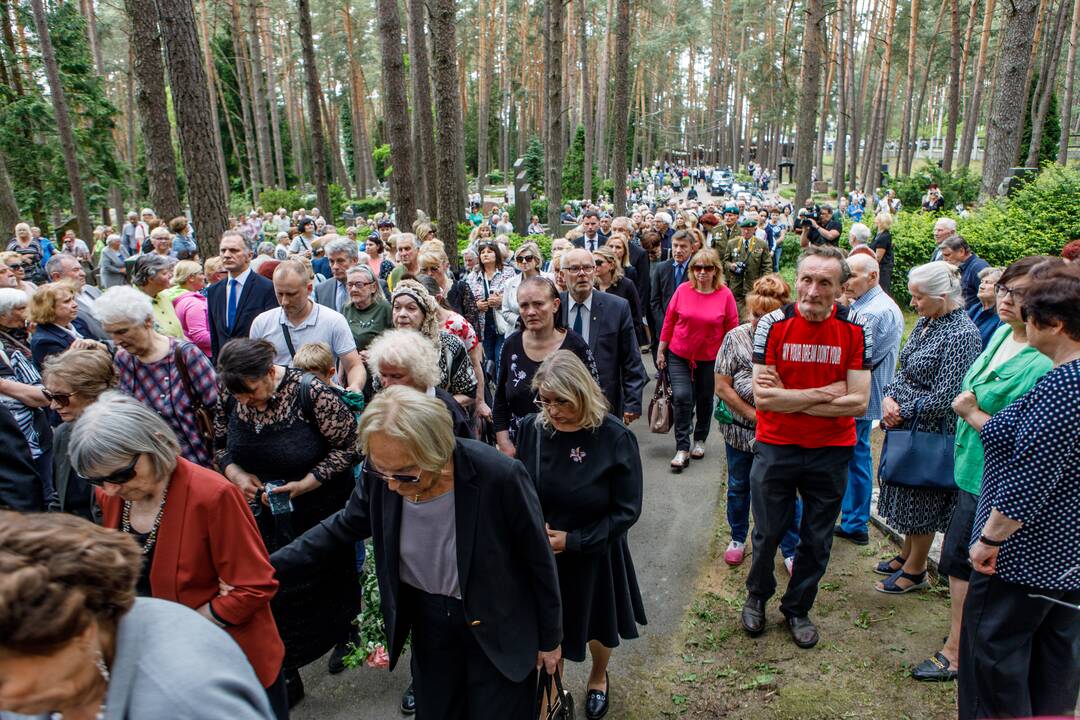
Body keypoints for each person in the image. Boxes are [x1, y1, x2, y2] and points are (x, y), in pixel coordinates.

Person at [270, 386, 563, 718]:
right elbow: (338, 529)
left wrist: (550, 639)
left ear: (437, 451)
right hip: (429, 621)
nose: (392, 485)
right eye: (383, 473)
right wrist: (267, 567)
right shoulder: (382, 470)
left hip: (498, 621)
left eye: (405, 476)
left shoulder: (499, 475)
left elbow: (539, 560)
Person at [68, 393, 288, 718]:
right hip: (157, 661)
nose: (109, 488)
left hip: (224, 661)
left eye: (120, 475)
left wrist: (177, 625)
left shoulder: (212, 495)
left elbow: (254, 586)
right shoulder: (112, 494)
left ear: (155, 443)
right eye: (96, 479)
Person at [908, 256, 1054, 684]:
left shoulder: (1043, 362)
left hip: (997, 480)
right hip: (971, 469)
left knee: (974, 566)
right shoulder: (1002, 335)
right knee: (957, 562)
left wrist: (971, 411)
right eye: (1004, 289)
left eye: (1018, 293)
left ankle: (959, 652)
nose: (1005, 298)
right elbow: (972, 382)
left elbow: (1019, 434)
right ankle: (960, 643)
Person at [0, 511, 276, 720]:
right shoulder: (67, 669)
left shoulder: (187, 701)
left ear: (78, 632)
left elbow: (255, 585)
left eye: (2, 680)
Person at [957, 264, 1080, 719]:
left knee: (994, 664)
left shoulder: (1064, 385)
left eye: (1031, 315)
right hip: (1067, 559)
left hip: (1025, 557)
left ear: (1057, 324)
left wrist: (989, 540)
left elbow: (1031, 476)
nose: (1024, 322)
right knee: (1054, 667)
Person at [214, 338, 361, 707]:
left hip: (319, 507)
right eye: (240, 396)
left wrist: (306, 484)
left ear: (269, 372)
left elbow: (352, 446)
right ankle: (287, 666)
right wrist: (236, 473)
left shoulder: (311, 393)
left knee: (329, 579)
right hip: (263, 512)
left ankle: (343, 632)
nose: (247, 401)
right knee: (274, 585)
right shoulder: (232, 394)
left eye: (252, 392)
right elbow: (218, 444)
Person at [742, 245, 871, 649]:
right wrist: (826, 394)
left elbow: (860, 402)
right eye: (807, 279)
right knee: (767, 531)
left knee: (817, 538)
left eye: (825, 282)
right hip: (776, 445)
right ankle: (757, 596)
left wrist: (793, 396)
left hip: (830, 450)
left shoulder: (855, 328)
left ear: (840, 287)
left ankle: (797, 607)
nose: (813, 290)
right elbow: (764, 401)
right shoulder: (772, 326)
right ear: (797, 280)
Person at [514, 351, 646, 720]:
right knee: (548, 629)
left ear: (583, 394)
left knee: (597, 625)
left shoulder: (614, 436)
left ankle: (599, 676)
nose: (553, 410)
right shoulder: (532, 429)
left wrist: (574, 540)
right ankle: (557, 691)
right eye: (546, 400)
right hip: (543, 554)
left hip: (596, 550)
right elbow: (519, 486)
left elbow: (627, 510)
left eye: (562, 401)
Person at [875, 261, 982, 593]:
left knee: (921, 495)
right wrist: (889, 397)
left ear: (943, 295)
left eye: (919, 297)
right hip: (907, 420)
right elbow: (905, 368)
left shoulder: (962, 334)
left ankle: (916, 569)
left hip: (932, 430)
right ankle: (907, 553)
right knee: (906, 491)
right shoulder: (927, 321)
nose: (913, 304)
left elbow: (947, 395)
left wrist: (902, 410)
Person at [714, 275, 803, 572]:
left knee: (785, 489)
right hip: (740, 431)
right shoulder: (736, 337)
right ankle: (738, 537)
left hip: (781, 433)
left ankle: (791, 548)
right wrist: (753, 415)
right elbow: (722, 386)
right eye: (755, 315)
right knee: (739, 484)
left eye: (767, 317)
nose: (758, 322)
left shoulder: (795, 340)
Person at [94, 286, 218, 467]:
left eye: (122, 331)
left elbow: (219, 410)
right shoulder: (123, 359)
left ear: (148, 321)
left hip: (200, 465)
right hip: (156, 469)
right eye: (110, 334)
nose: (117, 341)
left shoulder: (185, 355)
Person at [834, 254, 905, 546]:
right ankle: (853, 517)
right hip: (866, 394)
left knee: (855, 456)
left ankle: (854, 521)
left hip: (862, 395)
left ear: (872, 276)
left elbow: (860, 361)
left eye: (851, 277)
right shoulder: (870, 306)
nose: (846, 283)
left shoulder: (872, 312)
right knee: (855, 455)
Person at [493, 276, 597, 455]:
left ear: (555, 305)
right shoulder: (511, 345)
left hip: (569, 446)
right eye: (524, 305)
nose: (531, 312)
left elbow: (593, 397)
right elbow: (500, 399)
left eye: (538, 304)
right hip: (521, 446)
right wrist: (504, 442)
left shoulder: (575, 345)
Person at [657, 248, 739, 469]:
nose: (702, 272)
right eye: (697, 267)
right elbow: (669, 321)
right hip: (679, 354)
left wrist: (732, 360)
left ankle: (700, 438)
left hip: (711, 359)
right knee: (682, 397)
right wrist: (661, 350)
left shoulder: (725, 294)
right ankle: (682, 447)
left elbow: (732, 329)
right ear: (692, 270)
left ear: (716, 271)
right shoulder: (683, 290)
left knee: (704, 400)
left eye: (708, 268)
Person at [248, 261, 365, 392]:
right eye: (279, 294)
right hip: (279, 406)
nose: (285, 301)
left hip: (323, 405)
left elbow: (354, 365)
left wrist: (355, 386)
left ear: (309, 289)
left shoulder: (333, 321)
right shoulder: (262, 323)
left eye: (291, 294)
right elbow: (254, 368)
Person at [559, 248, 646, 423]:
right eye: (575, 269)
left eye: (588, 268)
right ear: (563, 274)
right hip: (562, 399)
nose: (582, 274)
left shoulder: (617, 307)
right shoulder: (554, 307)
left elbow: (631, 359)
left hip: (604, 400)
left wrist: (632, 402)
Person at [40, 346, 114, 519]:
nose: (53, 405)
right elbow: (59, 497)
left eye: (61, 397)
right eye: (49, 396)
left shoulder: (122, 434)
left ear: (92, 392)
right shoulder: (63, 433)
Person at [367, 329, 474, 439]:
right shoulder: (382, 407)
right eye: (384, 375)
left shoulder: (447, 411)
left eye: (397, 376)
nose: (388, 383)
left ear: (419, 374)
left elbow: (464, 451)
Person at [387, 279, 478, 407]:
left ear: (425, 314)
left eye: (411, 308)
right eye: (397, 307)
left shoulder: (449, 345)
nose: (402, 314)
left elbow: (469, 394)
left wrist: (432, 408)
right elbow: (380, 392)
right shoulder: (387, 348)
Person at [0, 287, 52, 507]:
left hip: (32, 444)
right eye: (21, 309)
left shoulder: (12, 351)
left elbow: (44, 395)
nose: (27, 313)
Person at [207, 232, 279, 358]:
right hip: (225, 369)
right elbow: (215, 336)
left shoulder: (266, 288)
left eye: (234, 250)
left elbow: (272, 333)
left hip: (255, 367)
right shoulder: (214, 291)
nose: (227, 255)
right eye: (223, 250)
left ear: (249, 255)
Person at [465, 239, 513, 375]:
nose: (485, 254)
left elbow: (515, 296)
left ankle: (499, 390)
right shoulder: (472, 276)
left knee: (500, 358)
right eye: (482, 252)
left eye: (489, 252)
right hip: (482, 327)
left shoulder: (508, 273)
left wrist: (501, 301)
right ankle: (489, 389)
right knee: (487, 361)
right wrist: (476, 306)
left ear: (496, 254)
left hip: (502, 325)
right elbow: (466, 302)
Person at [29, 281, 90, 369]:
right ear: (48, 308)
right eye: (67, 301)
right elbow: (71, 372)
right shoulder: (44, 341)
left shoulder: (77, 322)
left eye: (73, 299)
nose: (75, 305)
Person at [650, 231, 693, 352]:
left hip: (689, 329)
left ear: (692, 248)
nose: (678, 250)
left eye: (683, 246)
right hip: (665, 328)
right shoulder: (661, 268)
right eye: (675, 245)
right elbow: (655, 301)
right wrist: (664, 324)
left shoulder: (698, 269)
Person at [724, 217, 773, 318]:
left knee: (750, 312)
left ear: (754, 230)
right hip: (736, 284)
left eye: (749, 229)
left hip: (753, 285)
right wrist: (731, 266)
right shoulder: (732, 243)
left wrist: (764, 282)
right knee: (735, 312)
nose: (746, 231)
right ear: (741, 229)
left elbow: (767, 265)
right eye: (744, 229)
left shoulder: (761, 244)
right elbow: (725, 262)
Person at [593, 247, 644, 341]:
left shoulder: (626, 285)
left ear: (611, 265)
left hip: (622, 337)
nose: (595, 267)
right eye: (592, 263)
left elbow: (636, 315)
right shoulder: (591, 286)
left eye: (599, 263)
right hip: (597, 337)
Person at [129, 254, 185, 340]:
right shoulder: (132, 304)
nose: (170, 275)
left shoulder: (163, 295)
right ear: (151, 279)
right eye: (164, 273)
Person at [340, 264, 392, 355]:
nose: (353, 289)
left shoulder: (385, 308)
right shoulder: (346, 308)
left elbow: (395, 343)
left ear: (373, 287)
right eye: (350, 285)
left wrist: (374, 354)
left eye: (359, 285)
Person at [499, 242, 548, 331]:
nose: (524, 262)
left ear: (536, 260)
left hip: (544, 331)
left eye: (528, 258)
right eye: (520, 259)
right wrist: (521, 320)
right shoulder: (509, 283)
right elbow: (505, 311)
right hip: (517, 332)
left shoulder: (549, 279)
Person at [168, 260, 212, 357]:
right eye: (200, 274)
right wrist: (223, 340)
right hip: (203, 355)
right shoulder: (193, 303)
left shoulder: (178, 296)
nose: (204, 277)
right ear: (191, 278)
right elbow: (201, 337)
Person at [938, 235, 989, 311]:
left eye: (947, 255)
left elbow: (989, 298)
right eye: (943, 256)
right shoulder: (958, 266)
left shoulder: (978, 267)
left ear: (961, 251)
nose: (944, 259)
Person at [314, 237, 356, 313]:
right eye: (331, 261)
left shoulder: (373, 286)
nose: (335, 267)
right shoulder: (321, 289)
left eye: (340, 261)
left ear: (354, 260)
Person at [966, 266, 1003, 348]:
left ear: (1000, 288)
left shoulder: (1002, 318)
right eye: (981, 282)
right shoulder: (973, 310)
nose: (981, 286)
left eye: (988, 282)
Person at [869, 212, 895, 295]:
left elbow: (878, 258)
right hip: (880, 268)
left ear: (881, 221)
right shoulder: (879, 235)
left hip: (883, 269)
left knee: (882, 290)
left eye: (877, 218)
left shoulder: (884, 236)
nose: (875, 220)